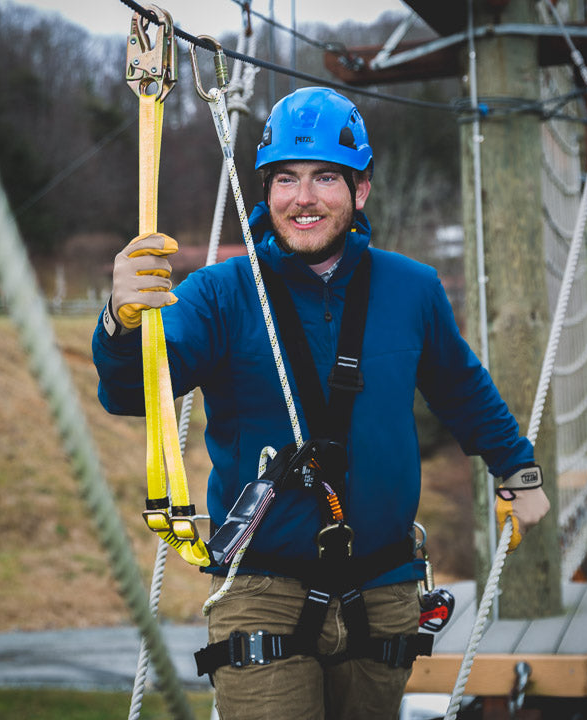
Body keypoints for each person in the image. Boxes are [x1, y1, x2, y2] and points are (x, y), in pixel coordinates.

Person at [92, 87, 549, 720]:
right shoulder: (222, 294)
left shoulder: (410, 289)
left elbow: (460, 385)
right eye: (285, 178)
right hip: (262, 587)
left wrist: (516, 468)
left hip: (384, 587)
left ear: (359, 191)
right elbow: (131, 392)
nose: (302, 197)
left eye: (325, 177)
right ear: (266, 190)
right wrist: (121, 322)